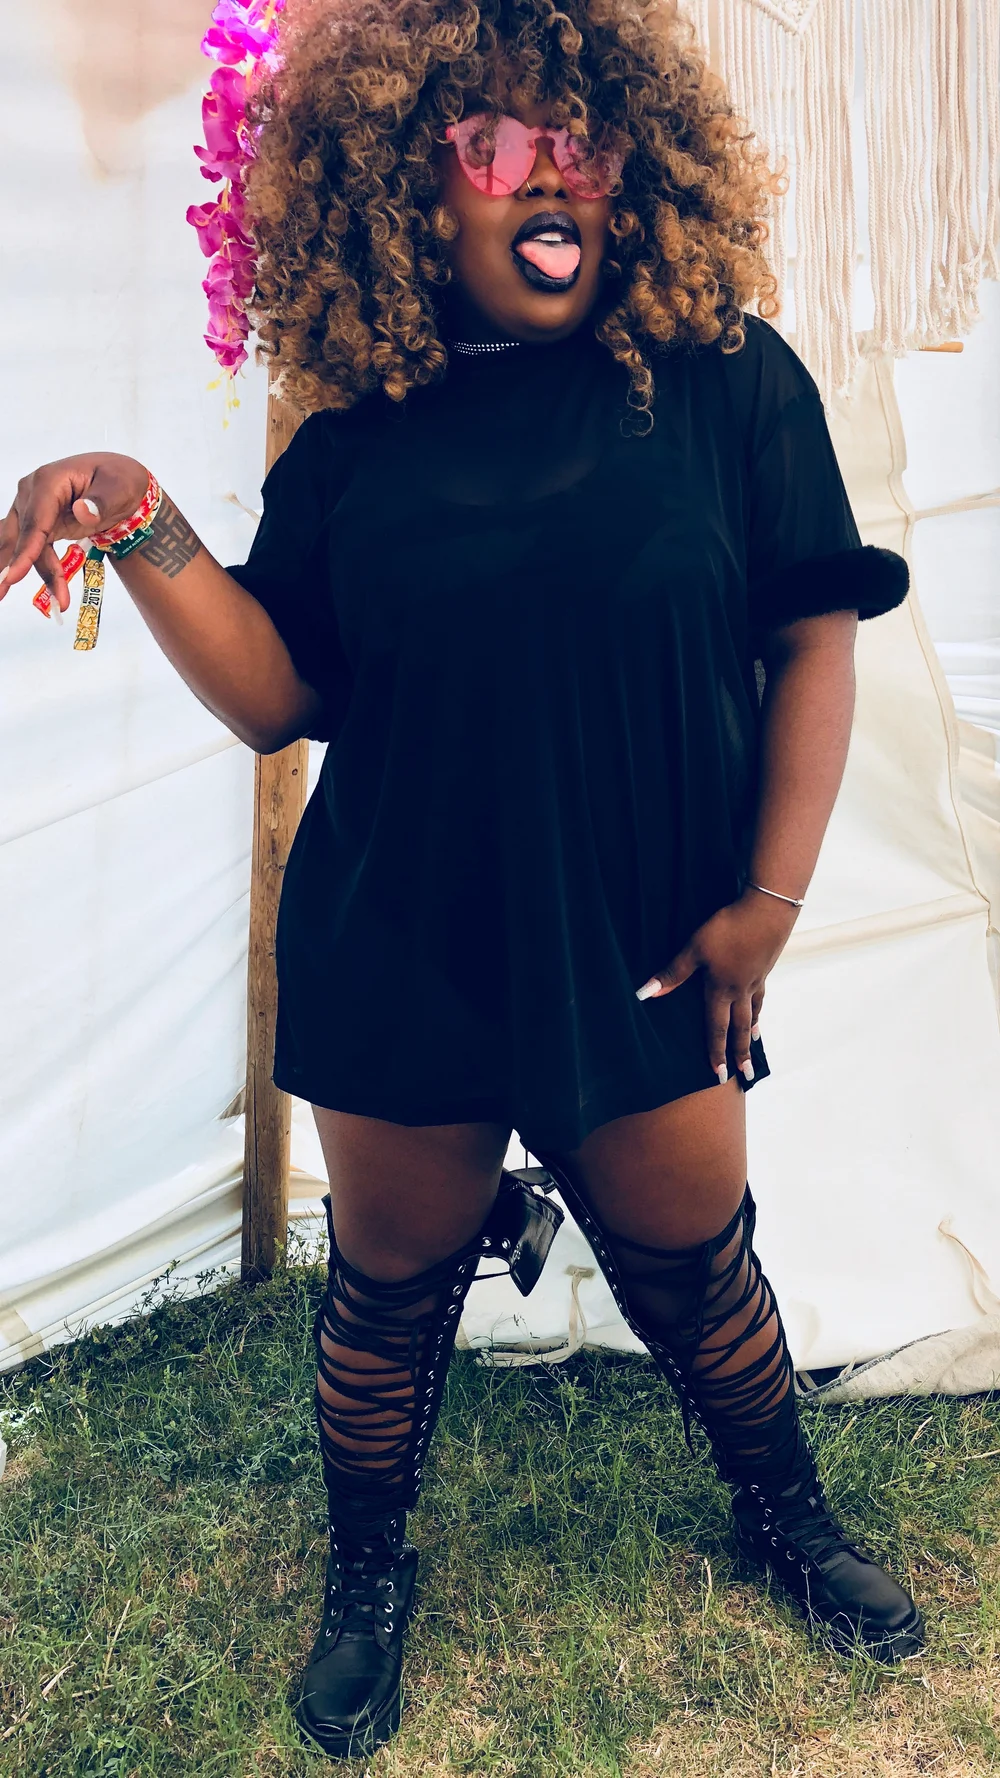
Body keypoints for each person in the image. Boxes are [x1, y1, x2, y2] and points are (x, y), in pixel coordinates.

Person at [0, 0, 923, 1758]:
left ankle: (787, 1513)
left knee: (696, 1266)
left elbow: (813, 631)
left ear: (636, 166)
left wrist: (769, 901)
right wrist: (135, 510)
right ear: (409, 189)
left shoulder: (726, 379)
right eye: (492, 146)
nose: (545, 175)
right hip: (402, 934)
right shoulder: (357, 441)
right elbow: (282, 691)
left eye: (581, 140)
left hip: (646, 941)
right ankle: (367, 1571)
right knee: (389, 1289)